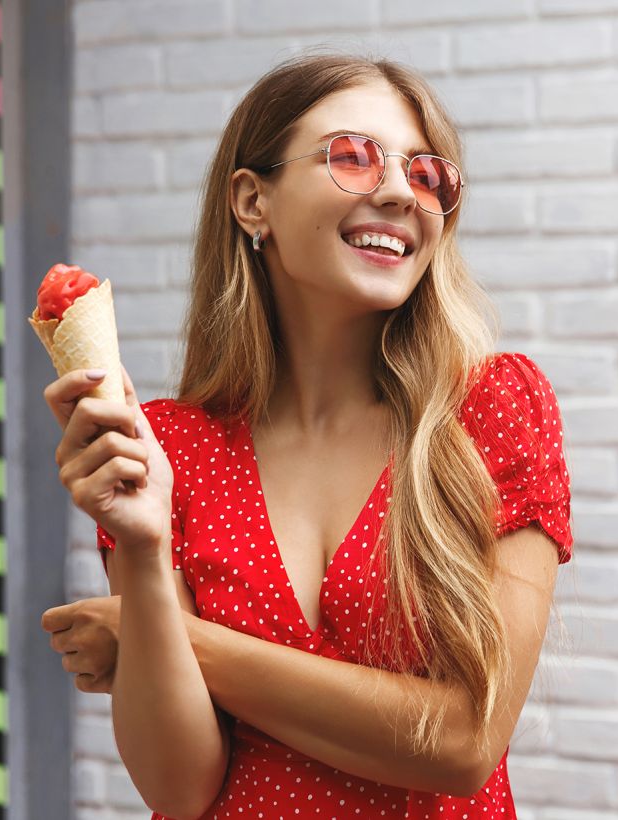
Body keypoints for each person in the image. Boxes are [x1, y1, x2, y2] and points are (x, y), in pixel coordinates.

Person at [40, 50, 574, 820]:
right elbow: (179, 789)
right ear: (252, 200)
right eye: (353, 157)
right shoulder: (168, 449)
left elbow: (464, 742)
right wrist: (146, 551)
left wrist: (166, 638)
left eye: (427, 175)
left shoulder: (489, 410)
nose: (401, 192)